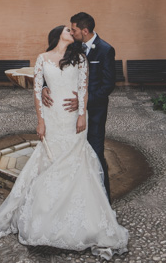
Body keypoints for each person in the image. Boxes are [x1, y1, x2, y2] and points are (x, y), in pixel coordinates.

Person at [0, 25, 128, 260]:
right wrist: (41, 121)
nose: (71, 31)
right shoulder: (43, 58)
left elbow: (83, 89)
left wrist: (82, 114)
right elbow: (36, 91)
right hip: (52, 118)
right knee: (49, 161)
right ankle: (46, 217)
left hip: (72, 118)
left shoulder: (80, 58)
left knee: (76, 162)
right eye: (67, 29)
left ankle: (81, 220)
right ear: (57, 35)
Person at [42, 12, 116, 200]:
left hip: (95, 112)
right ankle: (73, 196)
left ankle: (103, 199)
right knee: (72, 153)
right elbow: (54, 65)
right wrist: (44, 86)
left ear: (84, 30)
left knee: (95, 153)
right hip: (69, 114)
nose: (71, 32)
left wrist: (83, 101)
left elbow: (108, 85)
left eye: (74, 29)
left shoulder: (106, 50)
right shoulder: (72, 46)